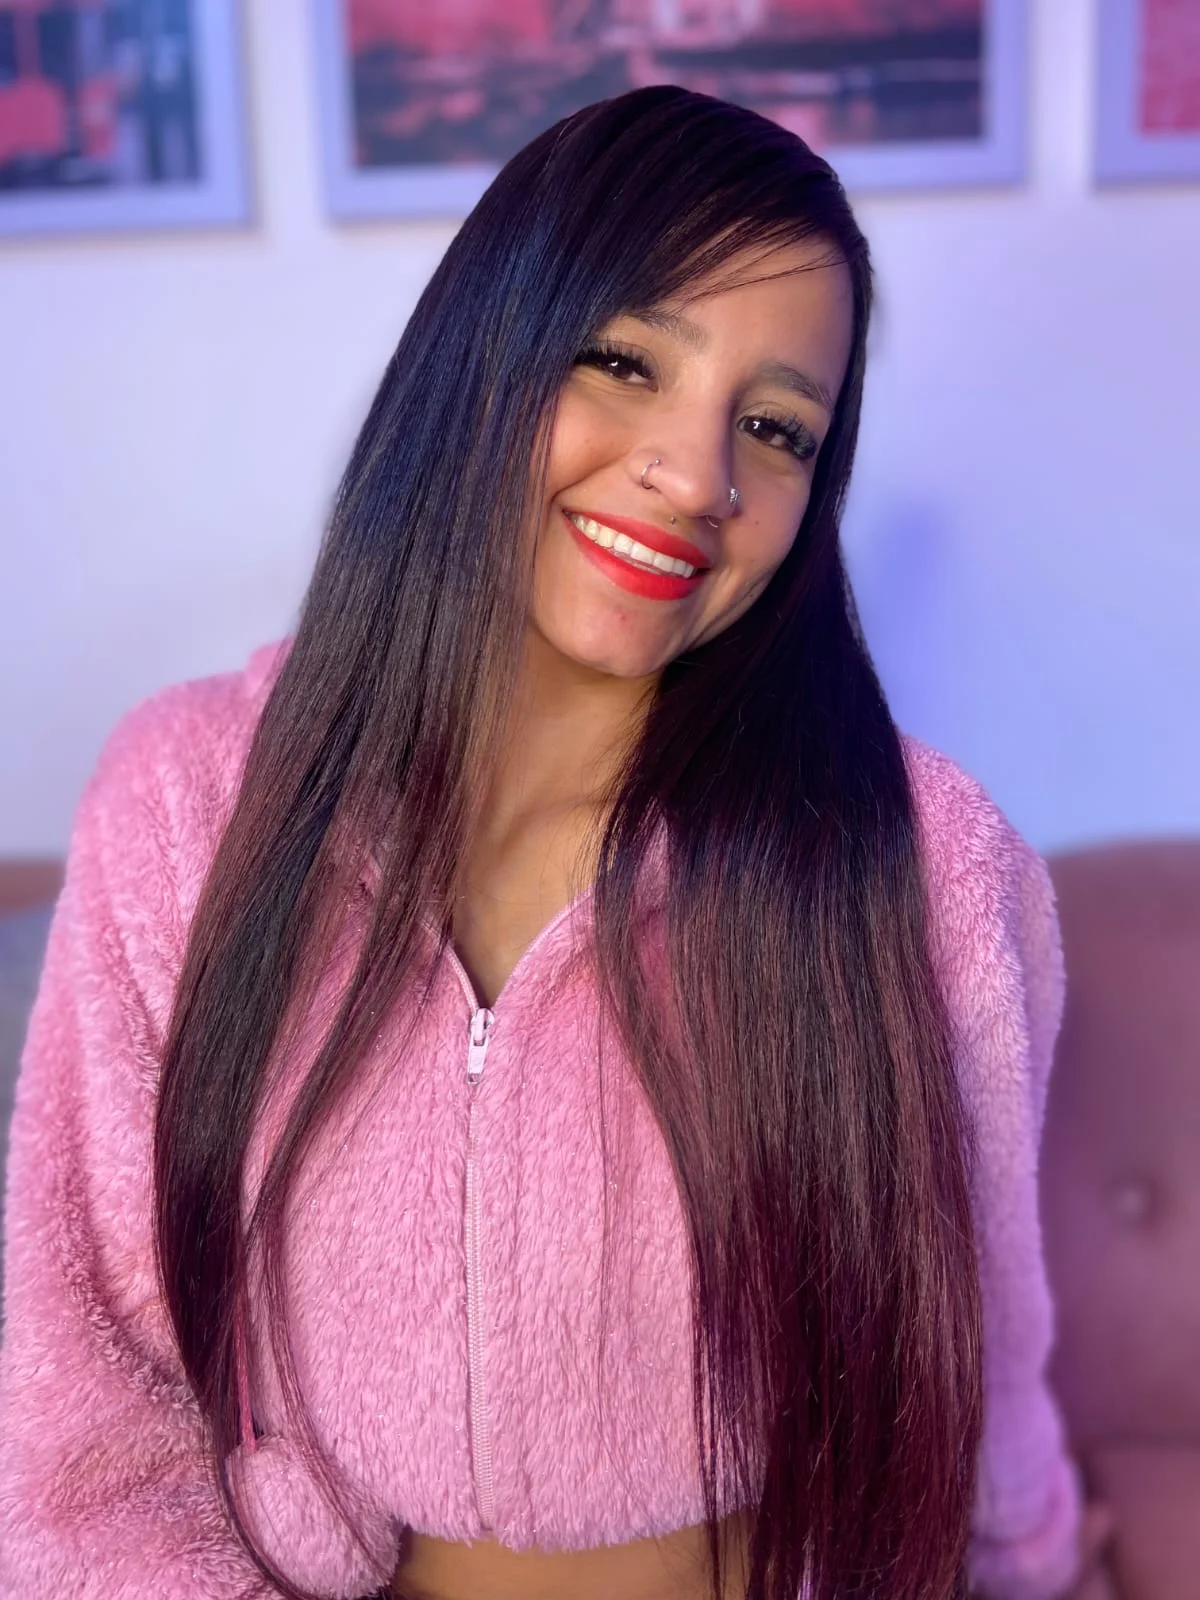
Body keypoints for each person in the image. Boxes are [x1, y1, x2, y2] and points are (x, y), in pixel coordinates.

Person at [0, 87, 1107, 1600]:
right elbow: (80, 1429)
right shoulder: (187, 805)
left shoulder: (927, 872)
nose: (698, 476)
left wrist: (1044, 1562)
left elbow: (973, 1354)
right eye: (627, 361)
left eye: (774, 427)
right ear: (486, 353)